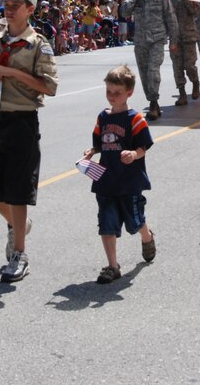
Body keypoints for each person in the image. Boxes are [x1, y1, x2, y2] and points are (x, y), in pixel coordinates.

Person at [0, 0, 58, 284]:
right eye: (6, 4)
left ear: (30, 10)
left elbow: (49, 87)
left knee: (18, 190)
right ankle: (18, 225)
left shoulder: (38, 44)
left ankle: (19, 255)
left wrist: (14, 73)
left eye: (16, 4)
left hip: (22, 121)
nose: (9, 9)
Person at [81, 64, 157, 284]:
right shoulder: (102, 118)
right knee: (106, 221)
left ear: (129, 93)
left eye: (117, 93)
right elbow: (98, 143)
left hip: (129, 181)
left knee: (134, 221)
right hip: (105, 179)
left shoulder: (135, 119)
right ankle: (112, 266)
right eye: (109, 92)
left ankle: (146, 235)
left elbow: (144, 146)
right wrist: (91, 151)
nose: (112, 97)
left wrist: (134, 154)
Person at [120, 0, 178, 121]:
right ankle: (153, 101)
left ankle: (153, 102)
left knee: (153, 70)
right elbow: (124, 12)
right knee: (144, 73)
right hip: (140, 41)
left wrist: (174, 41)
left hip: (157, 40)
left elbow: (171, 19)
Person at [167, 0, 200, 105]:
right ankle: (182, 93)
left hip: (189, 36)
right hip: (175, 37)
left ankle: (195, 82)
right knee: (177, 67)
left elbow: (195, 12)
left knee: (190, 65)